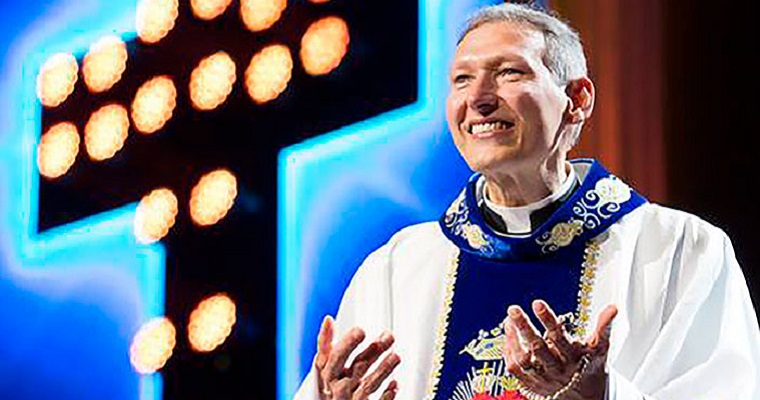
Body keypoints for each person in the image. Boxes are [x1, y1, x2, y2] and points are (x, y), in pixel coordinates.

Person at [293, 3, 760, 400]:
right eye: (461, 79)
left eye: (509, 72)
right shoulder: (397, 267)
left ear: (577, 99)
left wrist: (600, 395)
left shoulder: (678, 250)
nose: (478, 98)